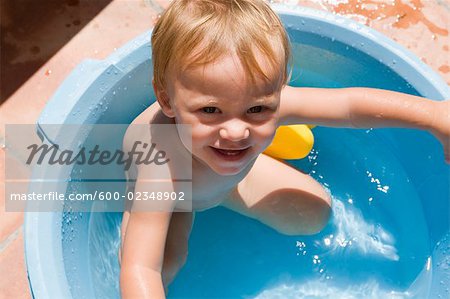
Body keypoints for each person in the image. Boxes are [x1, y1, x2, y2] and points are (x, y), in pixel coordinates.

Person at [119, 0, 450, 297]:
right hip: (179, 199)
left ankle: (261, 157)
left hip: (223, 174)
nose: (235, 131)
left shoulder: (265, 105)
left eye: (256, 110)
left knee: (314, 211)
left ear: (278, 87)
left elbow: (349, 106)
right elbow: (139, 269)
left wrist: (435, 116)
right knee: (167, 263)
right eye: (210, 111)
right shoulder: (158, 169)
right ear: (167, 99)